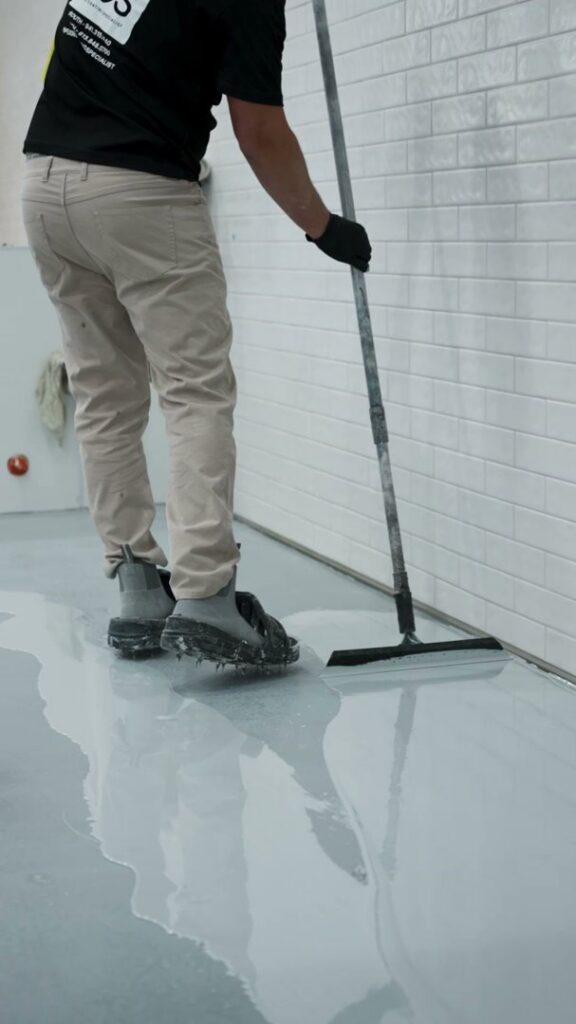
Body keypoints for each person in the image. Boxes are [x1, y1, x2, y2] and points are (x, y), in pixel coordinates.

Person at [21, 0, 372, 668]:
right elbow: (259, 131)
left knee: (104, 395)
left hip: (45, 188)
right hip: (142, 194)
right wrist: (323, 226)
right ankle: (207, 596)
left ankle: (138, 589)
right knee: (195, 394)